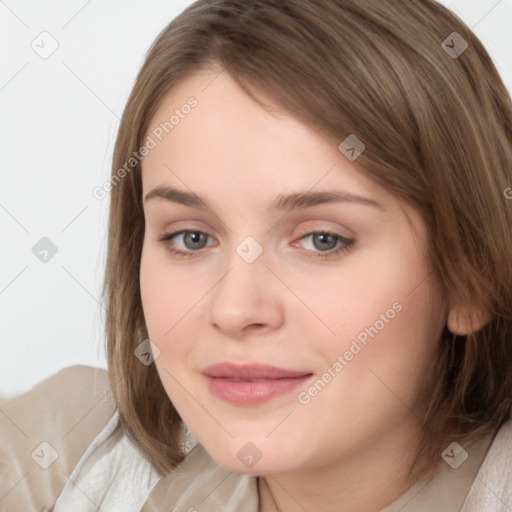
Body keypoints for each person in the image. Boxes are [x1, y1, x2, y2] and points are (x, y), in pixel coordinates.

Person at [2, 0, 512, 510]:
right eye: (191, 238)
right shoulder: (59, 456)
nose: (235, 310)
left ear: (471, 279)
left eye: (322, 240)